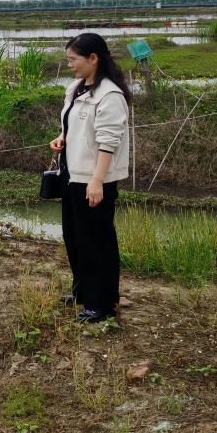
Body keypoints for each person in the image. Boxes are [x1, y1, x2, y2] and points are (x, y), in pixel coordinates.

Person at [48, 32, 131, 323]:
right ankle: (83, 292)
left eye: (73, 59)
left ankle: (103, 304)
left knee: (97, 241)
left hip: (95, 180)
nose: (70, 65)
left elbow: (109, 142)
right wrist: (61, 139)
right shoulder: (76, 88)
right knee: (75, 237)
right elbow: (71, 125)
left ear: (93, 58)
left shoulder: (110, 95)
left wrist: (97, 181)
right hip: (72, 174)